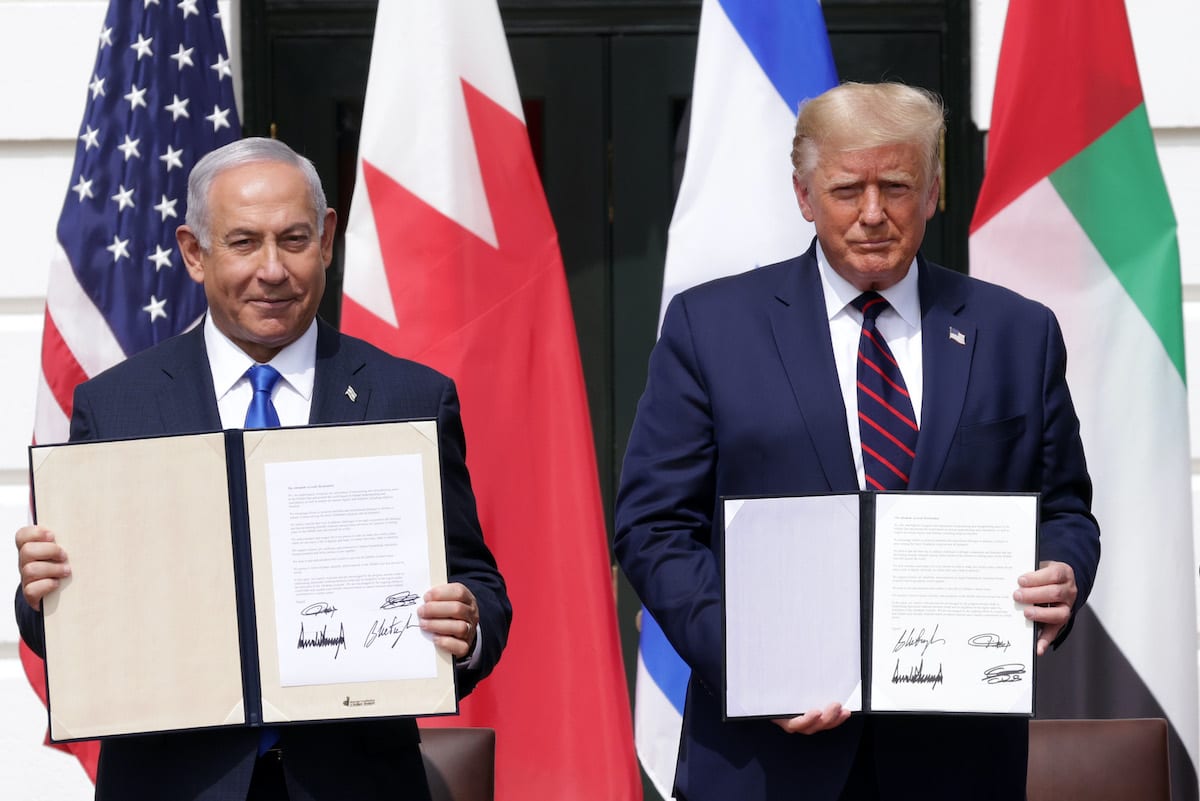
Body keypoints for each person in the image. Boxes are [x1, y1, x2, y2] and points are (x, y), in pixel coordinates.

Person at [613, 82, 1100, 801]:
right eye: (847, 189)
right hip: (765, 763)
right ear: (805, 196)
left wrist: (1062, 569)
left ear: (934, 191)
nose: (873, 213)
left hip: (957, 761)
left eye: (896, 186)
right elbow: (653, 526)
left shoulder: (1016, 334)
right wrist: (749, 659)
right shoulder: (710, 329)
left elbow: (1065, 510)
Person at [15, 137, 512, 801]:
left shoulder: (409, 398)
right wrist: (43, 592)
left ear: (328, 239)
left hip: (354, 781)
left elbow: (477, 578)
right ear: (195, 252)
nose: (273, 269)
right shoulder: (116, 406)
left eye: (295, 239)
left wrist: (470, 621)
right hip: (174, 781)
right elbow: (69, 628)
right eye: (245, 242)